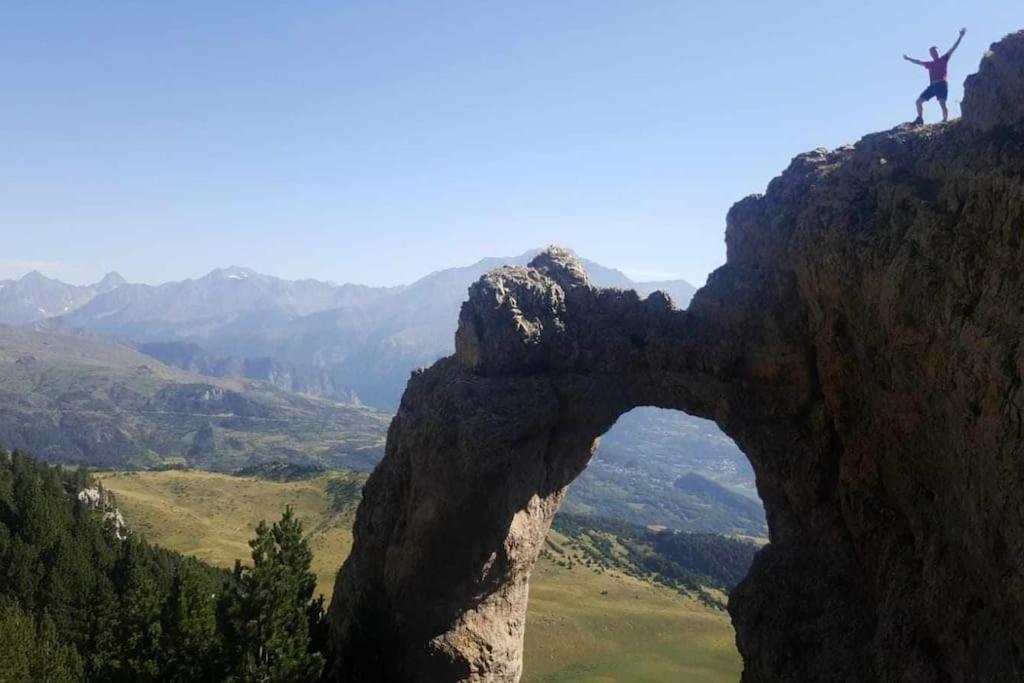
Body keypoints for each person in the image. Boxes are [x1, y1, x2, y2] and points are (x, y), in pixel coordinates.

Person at [903, 28, 966, 124]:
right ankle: (920, 119)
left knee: (942, 103)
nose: (934, 53)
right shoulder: (930, 64)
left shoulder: (944, 59)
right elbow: (918, 62)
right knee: (918, 102)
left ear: (938, 52)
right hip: (932, 86)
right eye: (932, 53)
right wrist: (908, 58)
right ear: (930, 54)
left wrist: (960, 36)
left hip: (941, 84)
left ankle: (945, 121)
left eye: (936, 52)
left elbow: (953, 48)